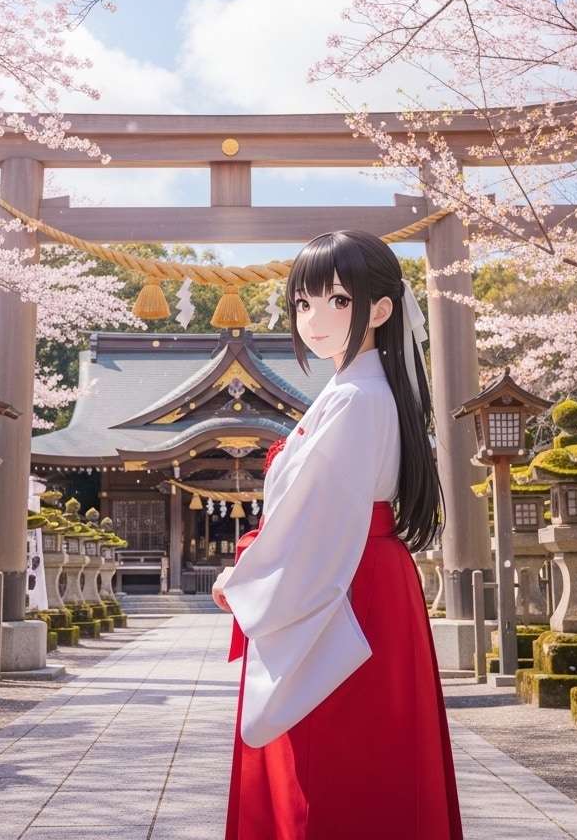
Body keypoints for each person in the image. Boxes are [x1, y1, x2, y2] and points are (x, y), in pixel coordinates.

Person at [212, 229, 463, 840]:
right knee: (364, 765)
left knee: (329, 769)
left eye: (338, 301)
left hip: (345, 584)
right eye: (303, 303)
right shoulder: (359, 391)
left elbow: (318, 516)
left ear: (379, 309)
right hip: (361, 575)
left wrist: (242, 573)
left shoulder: (357, 398)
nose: (314, 318)